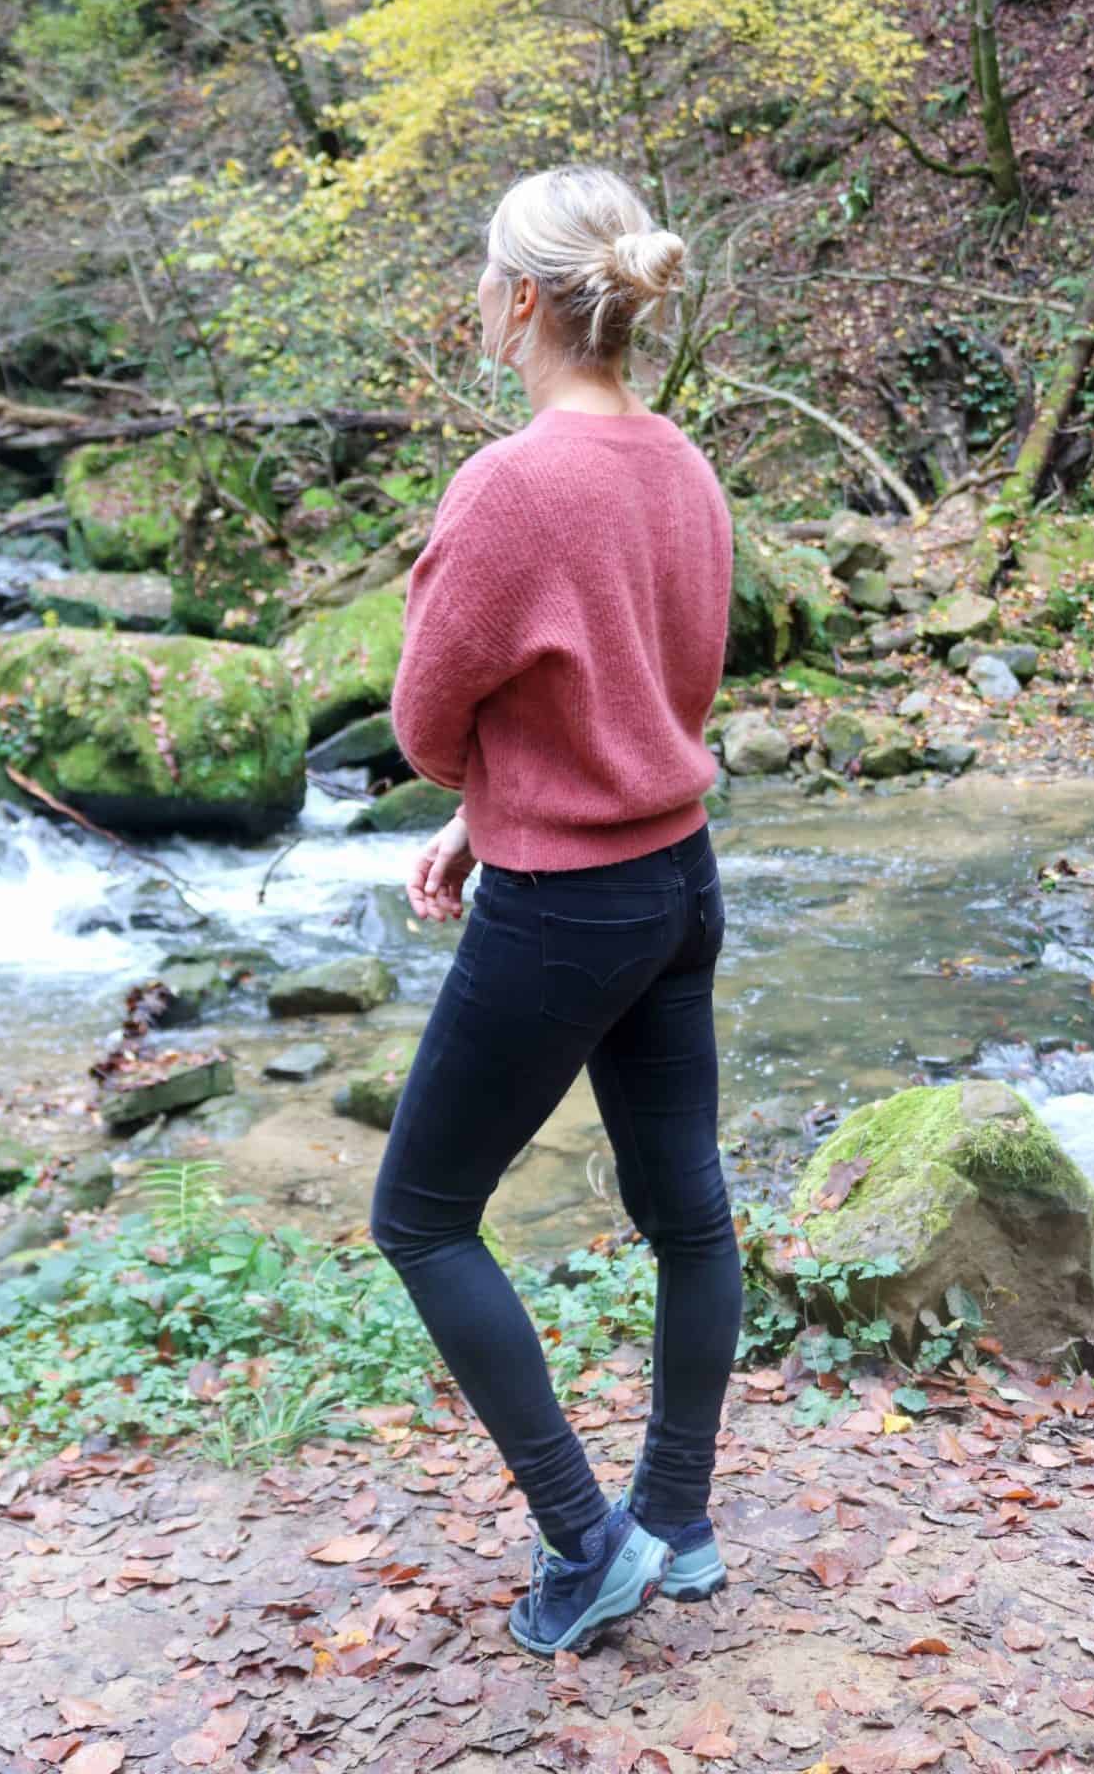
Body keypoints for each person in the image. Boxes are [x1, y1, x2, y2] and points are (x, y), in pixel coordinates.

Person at [371, 164, 741, 1659]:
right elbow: (652, 690)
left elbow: (419, 711)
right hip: (678, 880)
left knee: (420, 1215)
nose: (476, 292)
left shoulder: (512, 483)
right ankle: (680, 1521)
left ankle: (587, 1543)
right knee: (687, 1211)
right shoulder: (687, 465)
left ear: (521, 298)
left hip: (568, 908)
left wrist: (481, 796)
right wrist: (492, 811)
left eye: (481, 270)